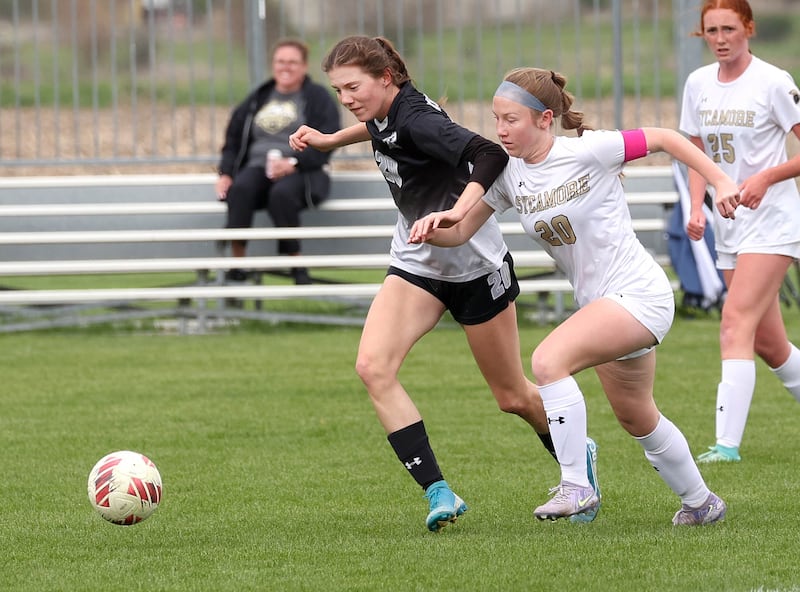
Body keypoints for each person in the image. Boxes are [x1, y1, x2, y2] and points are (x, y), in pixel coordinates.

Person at [289, 35, 601, 531]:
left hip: (475, 266)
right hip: (416, 262)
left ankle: (576, 459)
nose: (346, 98)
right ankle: (439, 491)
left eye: (353, 87)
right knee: (373, 367)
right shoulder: (388, 112)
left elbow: (487, 153)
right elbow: (379, 129)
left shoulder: (419, 119)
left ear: (385, 79)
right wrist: (329, 140)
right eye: (338, 89)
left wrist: (457, 211)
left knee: (513, 397)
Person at [409, 67, 737, 525]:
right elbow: (462, 228)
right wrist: (431, 230)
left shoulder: (589, 150)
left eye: (512, 119)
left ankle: (576, 486)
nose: (500, 130)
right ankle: (703, 503)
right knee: (637, 416)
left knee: (547, 361)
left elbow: (666, 137)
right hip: (601, 305)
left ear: (545, 119)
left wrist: (720, 182)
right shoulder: (509, 176)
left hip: (639, 293)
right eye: (496, 119)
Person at [680, 0, 800, 464]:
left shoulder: (773, 81)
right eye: (712, 30)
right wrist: (697, 207)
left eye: (729, 28)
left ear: (748, 28)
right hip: (730, 226)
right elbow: (696, 153)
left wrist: (768, 177)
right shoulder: (698, 84)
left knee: (734, 324)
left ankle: (725, 446)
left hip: (772, 223)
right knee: (769, 344)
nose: (720, 38)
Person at [215, 38, 340, 285]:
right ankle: (237, 265)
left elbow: (328, 139)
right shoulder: (258, 97)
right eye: (280, 61)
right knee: (240, 189)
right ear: (273, 65)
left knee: (281, 194)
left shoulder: (317, 97)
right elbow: (232, 139)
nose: (286, 67)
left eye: (293, 62)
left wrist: (293, 162)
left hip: (303, 169)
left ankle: (297, 265)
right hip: (258, 166)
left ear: (304, 67)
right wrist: (226, 173)